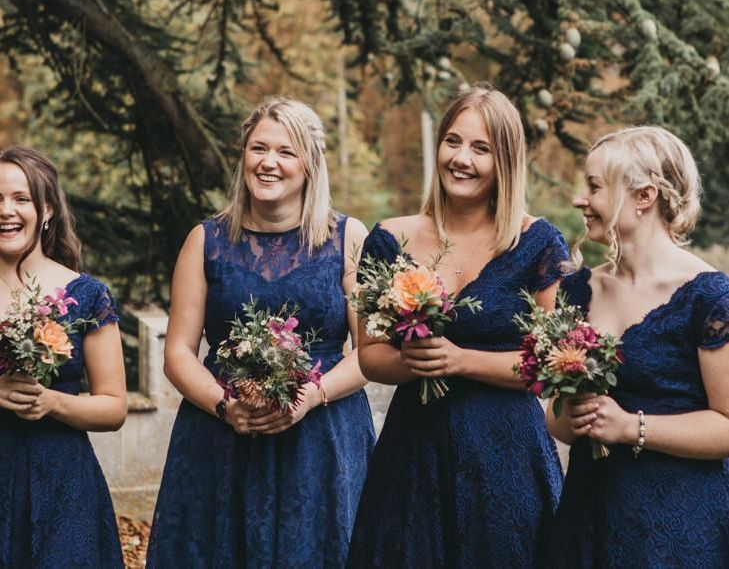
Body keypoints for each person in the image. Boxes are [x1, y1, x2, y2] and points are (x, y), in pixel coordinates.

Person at [146, 96, 375, 568]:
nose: (268, 162)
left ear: (310, 165)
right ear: (244, 157)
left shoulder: (348, 238)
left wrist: (313, 394)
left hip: (322, 440)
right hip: (221, 438)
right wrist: (224, 406)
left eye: (286, 152)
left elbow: (370, 353)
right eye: (258, 149)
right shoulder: (204, 241)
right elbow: (179, 353)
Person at [346, 86, 567, 568]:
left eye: (481, 148)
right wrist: (413, 360)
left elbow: (547, 366)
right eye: (452, 141)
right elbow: (369, 355)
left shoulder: (539, 243)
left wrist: (462, 360)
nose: (461, 158)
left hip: (508, 459)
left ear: (506, 160)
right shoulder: (390, 238)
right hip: (416, 455)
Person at [547, 126, 729, 568]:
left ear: (644, 196)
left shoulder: (709, 298)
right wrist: (569, 416)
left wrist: (632, 428)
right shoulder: (576, 289)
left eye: (594, 186)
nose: (579, 199)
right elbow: (557, 417)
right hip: (588, 514)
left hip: (678, 525)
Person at [0, 146, 126, 568]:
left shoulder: (88, 295)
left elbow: (114, 407)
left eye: (21, 198)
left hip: (62, 485)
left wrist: (51, 402)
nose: (6, 210)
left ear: (48, 208)